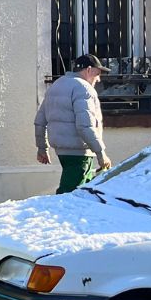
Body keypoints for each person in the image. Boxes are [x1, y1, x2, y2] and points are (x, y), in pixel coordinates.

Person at [35, 53, 112, 194]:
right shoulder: (84, 89)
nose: (99, 79)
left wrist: (42, 148)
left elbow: (40, 121)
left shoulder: (56, 85)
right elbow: (85, 126)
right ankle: (54, 215)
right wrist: (101, 154)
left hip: (62, 151)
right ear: (88, 70)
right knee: (72, 194)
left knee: (80, 191)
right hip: (80, 152)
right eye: (98, 73)